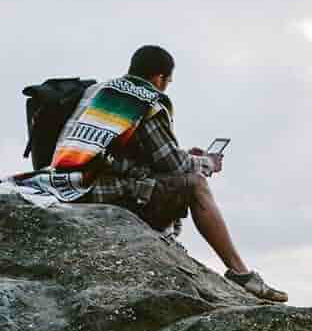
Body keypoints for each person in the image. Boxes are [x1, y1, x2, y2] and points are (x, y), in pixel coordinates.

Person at [49, 45, 287, 302]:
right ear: (159, 78)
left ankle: (170, 244)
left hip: (64, 182)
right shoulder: (145, 100)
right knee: (195, 184)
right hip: (96, 189)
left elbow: (125, 151)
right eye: (167, 82)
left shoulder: (99, 91)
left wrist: (187, 156)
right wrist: (206, 162)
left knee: (171, 179)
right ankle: (241, 274)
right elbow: (172, 164)